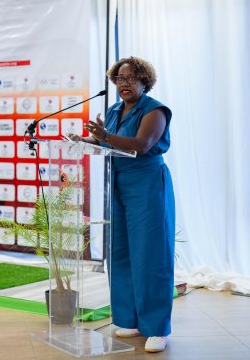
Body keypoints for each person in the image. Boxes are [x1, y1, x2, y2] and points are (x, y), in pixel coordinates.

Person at [68, 56, 175, 353]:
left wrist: (104, 135)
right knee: (121, 253)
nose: (123, 84)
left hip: (147, 185)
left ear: (144, 81)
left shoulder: (155, 111)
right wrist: (84, 140)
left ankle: (157, 328)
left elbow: (142, 145)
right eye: (119, 79)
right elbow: (108, 142)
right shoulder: (114, 110)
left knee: (150, 255)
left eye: (130, 78)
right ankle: (130, 319)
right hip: (117, 184)